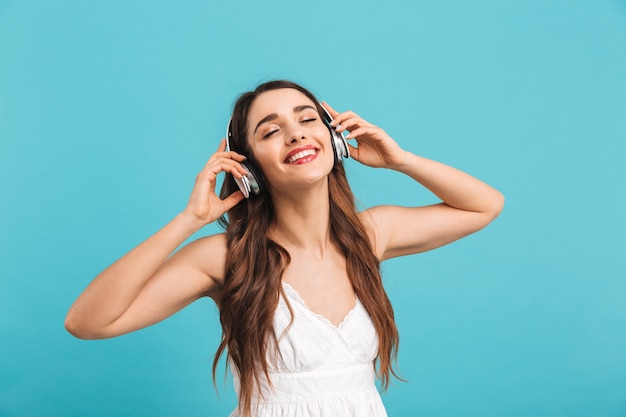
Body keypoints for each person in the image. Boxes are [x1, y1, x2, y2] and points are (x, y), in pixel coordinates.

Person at [65, 80, 504, 417]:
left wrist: (400, 159)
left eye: (308, 119)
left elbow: (484, 206)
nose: (296, 135)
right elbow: (87, 322)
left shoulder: (370, 236)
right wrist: (188, 221)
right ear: (248, 166)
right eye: (271, 130)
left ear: (334, 139)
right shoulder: (224, 257)